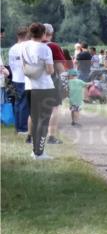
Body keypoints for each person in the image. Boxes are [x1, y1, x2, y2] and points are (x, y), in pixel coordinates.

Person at [22, 22, 58, 160]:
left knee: (35, 119)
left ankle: (34, 150)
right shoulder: (45, 48)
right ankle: (40, 153)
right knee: (44, 120)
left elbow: (23, 66)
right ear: (43, 34)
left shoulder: (23, 46)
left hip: (30, 86)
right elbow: (50, 70)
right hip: (44, 87)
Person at [7, 26, 30, 134]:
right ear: (27, 35)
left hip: (15, 78)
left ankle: (17, 127)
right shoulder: (27, 47)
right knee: (24, 104)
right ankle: (23, 128)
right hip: (25, 79)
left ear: (17, 35)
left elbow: (11, 65)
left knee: (17, 103)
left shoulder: (12, 48)